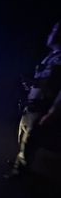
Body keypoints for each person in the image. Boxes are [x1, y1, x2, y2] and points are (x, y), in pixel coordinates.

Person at [8, 21, 61, 178]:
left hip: (41, 108)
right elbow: (46, 82)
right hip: (31, 106)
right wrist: (31, 84)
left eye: (55, 30)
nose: (51, 34)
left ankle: (20, 173)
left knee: (29, 143)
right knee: (23, 138)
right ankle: (20, 163)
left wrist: (53, 112)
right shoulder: (51, 57)